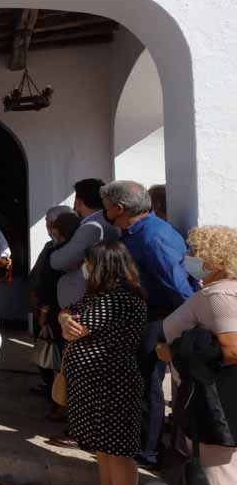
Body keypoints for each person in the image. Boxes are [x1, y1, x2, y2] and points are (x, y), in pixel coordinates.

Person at [161, 225, 237, 485]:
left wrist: (174, 352)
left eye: (197, 252)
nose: (192, 259)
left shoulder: (220, 295)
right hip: (222, 399)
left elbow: (231, 348)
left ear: (214, 258)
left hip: (219, 401)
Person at [104, 180, 194, 467]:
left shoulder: (152, 237)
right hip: (143, 315)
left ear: (119, 208)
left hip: (156, 318)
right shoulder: (136, 232)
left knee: (147, 383)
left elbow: (179, 288)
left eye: (107, 206)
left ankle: (147, 449)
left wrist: (194, 321)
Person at [58, 240, 147, 485]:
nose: (86, 269)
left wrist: (68, 323)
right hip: (96, 382)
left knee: (117, 449)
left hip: (112, 382)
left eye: (89, 263)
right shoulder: (101, 295)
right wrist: (63, 318)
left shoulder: (118, 299)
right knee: (103, 446)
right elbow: (69, 312)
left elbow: (76, 329)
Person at [28, 206, 75, 397]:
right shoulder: (52, 246)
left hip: (53, 309)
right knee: (46, 349)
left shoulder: (65, 251)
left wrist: (45, 310)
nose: (47, 226)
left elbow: (51, 281)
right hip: (43, 306)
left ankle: (58, 397)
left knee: (56, 353)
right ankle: (52, 389)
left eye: (50, 222)